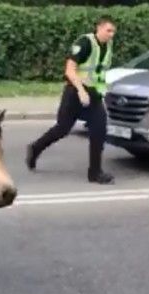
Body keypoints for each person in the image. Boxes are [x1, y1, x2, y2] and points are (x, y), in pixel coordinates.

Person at [25, 16, 116, 184]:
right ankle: (35, 148)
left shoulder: (108, 46)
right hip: (75, 92)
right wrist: (81, 91)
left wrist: (102, 93)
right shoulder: (85, 42)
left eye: (113, 32)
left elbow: (99, 73)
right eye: (108, 30)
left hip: (94, 94)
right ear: (99, 28)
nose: (111, 35)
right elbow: (70, 70)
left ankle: (95, 172)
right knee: (63, 128)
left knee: (99, 130)